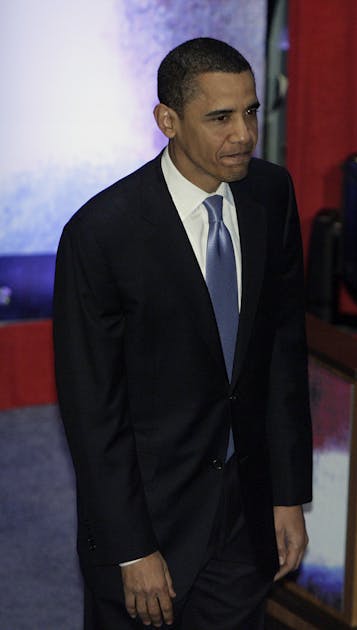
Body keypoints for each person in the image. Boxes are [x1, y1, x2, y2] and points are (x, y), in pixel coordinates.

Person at [53, 37, 312, 629]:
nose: (243, 134)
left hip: (245, 516)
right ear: (167, 121)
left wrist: (287, 492)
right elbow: (93, 410)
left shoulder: (271, 194)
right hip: (150, 524)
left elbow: (280, 355)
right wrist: (131, 547)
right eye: (220, 117)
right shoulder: (101, 235)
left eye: (250, 111)